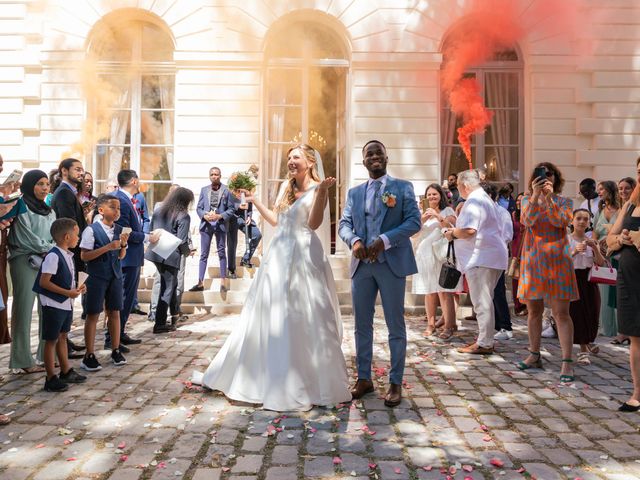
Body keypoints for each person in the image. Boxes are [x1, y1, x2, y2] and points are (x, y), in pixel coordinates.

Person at [193, 144, 351, 411]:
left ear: (310, 162)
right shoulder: (285, 188)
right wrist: (255, 202)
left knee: (304, 314)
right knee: (271, 313)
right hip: (278, 254)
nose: (291, 161)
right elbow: (277, 221)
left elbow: (312, 224)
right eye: (289, 157)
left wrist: (323, 192)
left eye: (296, 157)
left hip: (303, 253)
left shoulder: (317, 188)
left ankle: (307, 380)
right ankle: (266, 375)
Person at [339, 140, 422, 407]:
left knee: (395, 325)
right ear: (364, 162)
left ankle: (395, 382)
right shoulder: (354, 193)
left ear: (387, 157)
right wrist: (354, 241)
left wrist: (384, 239)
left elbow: (413, 221)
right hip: (362, 266)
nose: (374, 156)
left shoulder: (402, 187)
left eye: (378, 152)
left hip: (391, 263)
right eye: (369, 154)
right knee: (362, 325)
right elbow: (345, 223)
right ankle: (364, 378)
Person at [516, 162, 577, 383]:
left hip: (558, 261)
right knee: (534, 311)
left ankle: (567, 362)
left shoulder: (565, 202)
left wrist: (549, 199)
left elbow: (560, 220)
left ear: (556, 178)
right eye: (541, 175)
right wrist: (534, 196)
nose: (545, 178)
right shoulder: (526, 200)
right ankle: (534, 354)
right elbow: (527, 220)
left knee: (561, 313)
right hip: (534, 261)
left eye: (549, 174)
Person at [443, 171, 509, 354]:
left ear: (464, 185)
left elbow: (469, 231)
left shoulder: (474, 200)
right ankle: (485, 339)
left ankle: (485, 343)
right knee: (484, 300)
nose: (458, 189)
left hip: (481, 257)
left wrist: (452, 233)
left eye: (458, 185)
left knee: (482, 302)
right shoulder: (485, 199)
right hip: (491, 255)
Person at [8, 170, 56, 373]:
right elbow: (25, 235)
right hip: (24, 261)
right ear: (29, 185)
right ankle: (22, 360)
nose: (45, 188)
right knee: (24, 310)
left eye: (46, 184)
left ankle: (46, 356)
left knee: (47, 309)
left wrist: (51, 249)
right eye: (39, 184)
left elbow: (56, 233)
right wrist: (48, 248)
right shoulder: (21, 206)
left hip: (46, 262)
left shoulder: (50, 211)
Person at [33, 218, 88, 391]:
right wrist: (67, 293)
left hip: (65, 303)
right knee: (51, 340)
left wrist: (77, 288)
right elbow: (44, 282)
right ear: (66, 237)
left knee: (63, 336)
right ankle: (50, 377)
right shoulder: (53, 256)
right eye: (76, 235)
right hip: (53, 303)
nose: (78, 238)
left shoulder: (67, 255)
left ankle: (66, 370)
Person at [109, 169, 159, 348]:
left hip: (131, 255)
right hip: (127, 256)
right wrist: (146, 237)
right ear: (133, 181)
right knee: (123, 297)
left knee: (126, 298)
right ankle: (113, 337)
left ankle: (119, 332)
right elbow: (123, 231)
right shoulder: (121, 200)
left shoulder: (124, 199)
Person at [79, 195, 129, 370]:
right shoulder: (91, 230)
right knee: (93, 314)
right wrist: (108, 247)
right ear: (101, 210)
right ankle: (89, 354)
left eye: (119, 208)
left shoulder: (121, 229)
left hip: (115, 275)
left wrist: (122, 246)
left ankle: (115, 350)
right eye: (113, 208)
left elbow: (121, 256)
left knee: (115, 312)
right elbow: (84, 256)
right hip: (96, 276)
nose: (117, 212)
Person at [607, 156, 640, 411]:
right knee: (634, 334)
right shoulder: (630, 206)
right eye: (638, 171)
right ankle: (637, 391)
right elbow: (609, 238)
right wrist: (622, 241)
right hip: (628, 277)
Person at [50, 158, 87, 358]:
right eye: (77, 169)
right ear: (64, 171)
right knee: (67, 296)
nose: (81, 173)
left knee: (70, 299)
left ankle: (66, 340)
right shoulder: (64, 193)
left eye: (82, 170)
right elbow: (68, 223)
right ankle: (62, 344)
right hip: (69, 249)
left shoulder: (70, 192)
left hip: (73, 248)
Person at [145, 187, 193, 333]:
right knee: (167, 288)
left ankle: (174, 315)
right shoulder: (183, 215)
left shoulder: (159, 210)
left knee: (170, 285)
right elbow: (182, 240)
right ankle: (159, 323)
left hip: (156, 252)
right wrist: (188, 252)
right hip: (171, 254)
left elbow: (151, 230)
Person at [412, 183, 457, 339]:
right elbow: (413, 235)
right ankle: (430, 324)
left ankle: (449, 326)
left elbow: (452, 227)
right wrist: (422, 220)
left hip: (441, 256)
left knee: (444, 292)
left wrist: (438, 216)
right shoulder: (422, 213)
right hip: (425, 256)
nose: (431, 197)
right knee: (429, 292)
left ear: (441, 196)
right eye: (429, 194)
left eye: (434, 194)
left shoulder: (448, 211)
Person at [568, 209, 605, 366]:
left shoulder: (592, 241)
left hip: (590, 280)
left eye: (585, 219)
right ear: (572, 221)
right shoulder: (567, 240)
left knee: (593, 312)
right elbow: (562, 262)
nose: (582, 221)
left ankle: (589, 340)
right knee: (577, 313)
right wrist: (575, 251)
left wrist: (595, 248)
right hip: (573, 279)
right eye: (578, 218)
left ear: (589, 222)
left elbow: (601, 263)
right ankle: (583, 349)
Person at [190, 167, 235, 294]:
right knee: (204, 254)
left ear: (220, 176)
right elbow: (198, 208)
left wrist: (219, 216)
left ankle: (223, 281)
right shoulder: (204, 190)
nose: (214, 176)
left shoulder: (227, 190)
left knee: (221, 252)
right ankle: (200, 283)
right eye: (212, 174)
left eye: (216, 174)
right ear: (209, 176)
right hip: (206, 225)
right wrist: (204, 215)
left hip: (220, 224)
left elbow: (231, 209)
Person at [482, 183, 515, 342]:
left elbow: (507, 235)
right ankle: (493, 324)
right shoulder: (481, 213)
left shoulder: (502, 213)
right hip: (481, 255)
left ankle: (505, 326)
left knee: (498, 290)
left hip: (495, 255)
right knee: (486, 292)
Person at [592, 181, 621, 339]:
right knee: (603, 291)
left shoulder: (622, 209)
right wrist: (597, 246)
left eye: (602, 189)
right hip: (603, 255)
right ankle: (606, 328)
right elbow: (595, 232)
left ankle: (620, 329)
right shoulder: (600, 210)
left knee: (617, 292)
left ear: (610, 190)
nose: (599, 192)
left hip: (618, 253)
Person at [226, 193, 262, 277]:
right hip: (232, 218)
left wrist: (249, 216)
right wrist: (238, 206)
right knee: (232, 243)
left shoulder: (246, 189)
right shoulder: (229, 190)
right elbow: (226, 204)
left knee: (257, 235)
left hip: (244, 218)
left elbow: (249, 206)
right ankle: (231, 270)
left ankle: (245, 259)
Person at [511, 192, 527, 316]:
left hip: (527, 246)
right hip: (517, 245)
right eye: (517, 201)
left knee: (526, 277)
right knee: (516, 277)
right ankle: (518, 305)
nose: (518, 203)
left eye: (521, 200)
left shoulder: (529, 214)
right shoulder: (514, 214)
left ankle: (526, 304)